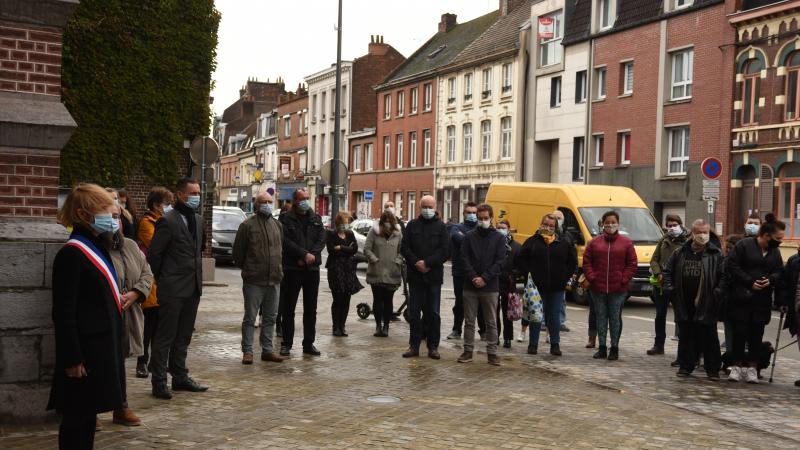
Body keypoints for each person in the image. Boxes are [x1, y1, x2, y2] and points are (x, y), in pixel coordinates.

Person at [49, 183, 127, 449]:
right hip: (83, 354)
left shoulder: (97, 246)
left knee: (88, 416)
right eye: (109, 213)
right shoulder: (72, 253)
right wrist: (72, 357)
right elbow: (64, 313)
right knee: (75, 419)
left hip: (99, 349)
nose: (114, 219)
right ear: (84, 215)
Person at [147, 178, 208, 399]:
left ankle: (180, 377)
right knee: (165, 336)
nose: (197, 197)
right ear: (181, 194)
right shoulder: (168, 220)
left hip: (193, 288)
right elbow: (155, 254)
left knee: (183, 336)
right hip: (172, 288)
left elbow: (197, 250)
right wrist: (163, 279)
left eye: (199, 193)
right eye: (193, 193)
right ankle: (159, 381)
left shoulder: (199, 220)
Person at [108, 203, 153, 427]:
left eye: (117, 217)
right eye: (110, 217)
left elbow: (147, 273)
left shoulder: (131, 246)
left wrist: (136, 293)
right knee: (99, 359)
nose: (115, 222)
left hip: (129, 311)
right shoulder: (96, 247)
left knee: (119, 361)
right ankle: (93, 408)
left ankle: (120, 405)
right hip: (106, 312)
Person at [725, 214, 784, 383]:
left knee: (756, 334)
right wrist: (749, 282)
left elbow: (779, 271)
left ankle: (752, 367)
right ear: (766, 235)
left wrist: (770, 280)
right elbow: (732, 265)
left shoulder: (775, 252)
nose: (780, 241)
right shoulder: (744, 245)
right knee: (739, 333)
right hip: (742, 298)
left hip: (761, 300)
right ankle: (736, 366)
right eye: (777, 238)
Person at [662, 219, 723, 380]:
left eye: (705, 232)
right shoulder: (680, 252)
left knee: (709, 335)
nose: (703, 235)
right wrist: (670, 289)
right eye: (699, 232)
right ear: (692, 234)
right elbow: (667, 271)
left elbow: (724, 277)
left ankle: (713, 369)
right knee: (686, 335)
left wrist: (717, 292)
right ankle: (685, 365)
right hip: (684, 300)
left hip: (707, 301)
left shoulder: (715, 254)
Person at [232, 192, 285, 364]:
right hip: (254, 280)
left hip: (274, 279)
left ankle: (267, 350)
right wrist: (249, 269)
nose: (268, 204)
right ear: (256, 204)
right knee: (250, 317)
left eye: (270, 202)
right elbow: (238, 254)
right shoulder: (247, 226)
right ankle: (247, 351)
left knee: (270, 317)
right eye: (264, 202)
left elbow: (280, 250)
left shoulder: (277, 225)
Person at [519, 214, 577, 356]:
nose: (548, 227)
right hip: (536, 288)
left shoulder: (563, 242)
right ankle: (533, 344)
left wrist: (565, 277)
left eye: (551, 226)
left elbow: (572, 262)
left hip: (557, 287)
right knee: (536, 316)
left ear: (556, 228)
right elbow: (521, 260)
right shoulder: (532, 242)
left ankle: (555, 344)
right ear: (541, 224)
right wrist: (528, 275)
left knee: (554, 316)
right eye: (545, 224)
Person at [582, 211, 637, 361]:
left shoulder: (626, 243)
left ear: (618, 224)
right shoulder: (594, 243)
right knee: (600, 317)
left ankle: (614, 347)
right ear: (602, 224)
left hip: (618, 289)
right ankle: (601, 348)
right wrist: (592, 278)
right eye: (607, 222)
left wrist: (624, 279)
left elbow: (632, 264)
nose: (610, 225)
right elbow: (586, 262)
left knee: (614, 318)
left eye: (613, 222)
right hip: (597, 288)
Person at [401, 195, 450, 359]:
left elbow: (445, 251)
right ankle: (413, 346)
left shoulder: (442, 227)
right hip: (415, 277)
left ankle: (433, 347)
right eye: (424, 206)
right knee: (414, 314)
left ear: (435, 207)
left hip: (434, 277)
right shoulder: (412, 226)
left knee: (433, 313)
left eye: (430, 206)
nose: (427, 209)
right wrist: (416, 263)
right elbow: (405, 248)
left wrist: (428, 263)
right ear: (420, 208)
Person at [456, 204, 506, 366]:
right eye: (480, 218)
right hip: (470, 286)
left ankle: (492, 353)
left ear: (491, 218)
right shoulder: (469, 237)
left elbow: (500, 262)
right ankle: (467, 351)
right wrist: (473, 277)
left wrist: (484, 278)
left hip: (490, 286)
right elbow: (464, 258)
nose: (483, 221)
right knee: (469, 321)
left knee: (491, 321)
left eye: (486, 218)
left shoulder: (499, 237)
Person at [279, 189, 326, 356]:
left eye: (307, 198)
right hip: (293, 268)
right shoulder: (285, 218)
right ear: (295, 201)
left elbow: (321, 240)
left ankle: (308, 343)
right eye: (302, 199)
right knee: (288, 308)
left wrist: (310, 255)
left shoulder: (316, 218)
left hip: (311, 269)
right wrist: (302, 254)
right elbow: (285, 241)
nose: (305, 201)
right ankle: (286, 343)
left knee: (310, 308)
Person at [135, 187, 173, 379]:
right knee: (148, 326)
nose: (168, 206)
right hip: (151, 279)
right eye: (166, 203)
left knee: (160, 327)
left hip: (163, 281)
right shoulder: (146, 222)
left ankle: (155, 363)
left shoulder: (164, 221)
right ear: (156, 205)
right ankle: (141, 362)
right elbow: (156, 246)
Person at [647, 214, 688, 356]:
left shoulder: (688, 240)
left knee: (681, 317)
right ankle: (658, 345)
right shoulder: (664, 239)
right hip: (661, 284)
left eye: (674, 225)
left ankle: (683, 349)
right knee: (660, 315)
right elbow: (654, 259)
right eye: (669, 225)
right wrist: (658, 272)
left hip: (679, 285)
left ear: (681, 224)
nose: (672, 228)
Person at [365, 211, 403, 337]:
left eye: (389, 220)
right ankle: (377, 326)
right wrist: (374, 259)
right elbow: (367, 248)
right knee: (377, 299)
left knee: (388, 300)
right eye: (385, 220)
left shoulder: (398, 234)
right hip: (377, 271)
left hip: (392, 272)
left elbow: (402, 250)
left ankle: (386, 326)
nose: (387, 222)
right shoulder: (374, 232)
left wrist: (397, 260)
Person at [325, 212, 363, 336]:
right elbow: (331, 250)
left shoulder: (350, 234)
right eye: (343, 223)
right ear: (338, 224)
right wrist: (347, 249)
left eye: (346, 223)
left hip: (348, 270)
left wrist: (340, 247)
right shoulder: (331, 234)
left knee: (346, 298)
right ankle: (335, 326)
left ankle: (342, 326)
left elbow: (354, 249)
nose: (345, 226)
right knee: (338, 299)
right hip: (335, 270)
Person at [446, 202, 479, 340]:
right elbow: (458, 238)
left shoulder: (481, 228)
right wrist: (475, 240)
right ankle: (456, 329)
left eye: (474, 212)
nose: (472, 215)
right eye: (469, 212)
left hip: (477, 272)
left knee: (480, 302)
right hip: (460, 271)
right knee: (459, 302)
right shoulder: (455, 227)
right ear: (464, 213)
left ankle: (482, 330)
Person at [497, 220, 521, 348]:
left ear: (509, 229)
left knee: (508, 313)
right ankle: (495, 336)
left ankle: (508, 338)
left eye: (503, 227)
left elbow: (521, 266)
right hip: (494, 282)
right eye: (498, 227)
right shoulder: (493, 243)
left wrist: (513, 275)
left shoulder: (516, 246)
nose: (501, 230)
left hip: (509, 283)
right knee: (493, 312)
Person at [551, 210, 572, 333]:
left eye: (560, 218)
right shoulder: (545, 233)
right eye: (556, 218)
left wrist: (571, 271)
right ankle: (544, 322)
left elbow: (572, 254)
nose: (558, 220)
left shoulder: (567, 235)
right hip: (548, 272)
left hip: (561, 273)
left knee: (561, 299)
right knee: (545, 300)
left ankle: (561, 322)